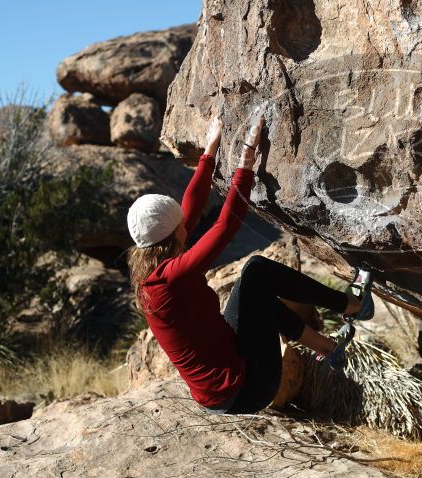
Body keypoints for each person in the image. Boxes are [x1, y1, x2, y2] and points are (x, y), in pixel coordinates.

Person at [125, 110, 369, 414]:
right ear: (173, 232)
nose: (184, 220)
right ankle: (352, 305)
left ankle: (325, 348)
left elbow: (190, 208)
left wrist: (209, 152)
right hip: (245, 389)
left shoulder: (155, 265)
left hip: (221, 389)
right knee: (257, 273)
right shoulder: (170, 279)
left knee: (253, 295)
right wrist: (246, 160)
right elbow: (224, 226)